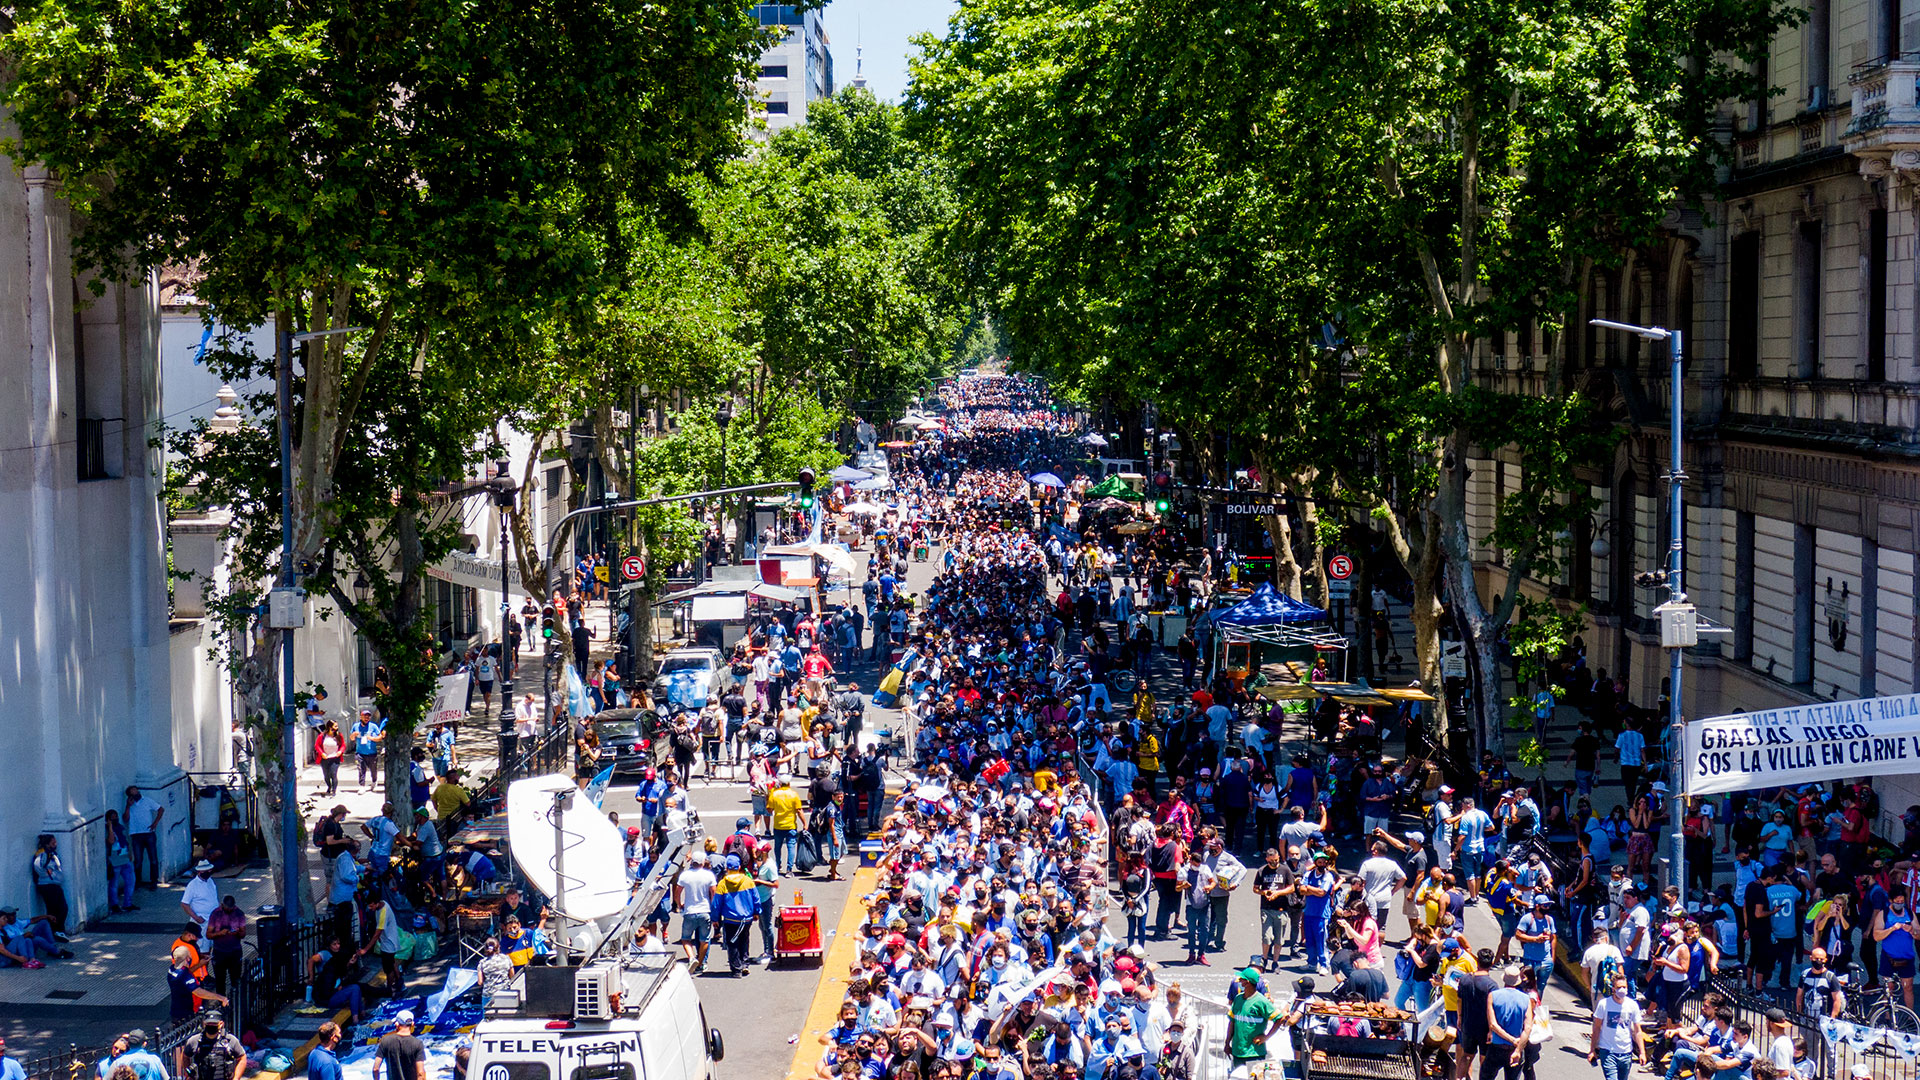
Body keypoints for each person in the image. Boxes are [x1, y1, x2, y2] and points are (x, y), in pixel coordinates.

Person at [1587, 974, 1647, 1080]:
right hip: (1608, 1051)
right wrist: (1592, 1049)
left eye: (1624, 987)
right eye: (1619, 987)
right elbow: (1596, 1028)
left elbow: (1637, 1031)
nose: (1622, 990)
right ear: (1613, 989)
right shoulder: (1604, 1004)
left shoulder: (1632, 1005)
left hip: (1626, 1053)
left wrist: (1642, 1052)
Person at [712, 853, 762, 976]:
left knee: (732, 943)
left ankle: (736, 969)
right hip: (746, 919)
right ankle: (745, 963)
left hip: (730, 919)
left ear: (727, 868)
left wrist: (715, 918)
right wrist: (757, 912)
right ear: (739, 867)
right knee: (744, 940)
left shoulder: (722, 884)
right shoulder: (748, 881)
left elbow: (716, 904)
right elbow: (756, 898)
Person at [1225, 966, 1280, 1068]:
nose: (1239, 980)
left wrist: (1266, 1037)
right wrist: (1227, 1043)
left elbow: (1279, 1019)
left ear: (1248, 982)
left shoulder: (1261, 1001)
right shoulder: (1238, 999)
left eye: (1242, 979)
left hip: (1254, 1053)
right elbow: (1232, 1022)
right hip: (1237, 1052)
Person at [177, 1014, 245, 1080]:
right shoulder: (194, 1041)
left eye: (214, 1024)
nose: (211, 1026)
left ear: (221, 1024)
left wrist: (236, 1078)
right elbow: (185, 1056)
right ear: (204, 1024)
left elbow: (242, 1058)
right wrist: (189, 1075)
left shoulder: (230, 1040)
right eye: (209, 1024)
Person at [204, 895, 247, 997]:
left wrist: (237, 932)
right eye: (227, 908)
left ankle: (235, 1003)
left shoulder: (239, 914)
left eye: (231, 908)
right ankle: (221, 1003)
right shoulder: (215, 914)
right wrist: (219, 933)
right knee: (220, 981)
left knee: (236, 981)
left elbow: (243, 934)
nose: (229, 910)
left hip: (234, 951)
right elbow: (208, 935)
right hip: (219, 952)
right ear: (222, 905)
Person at [30, 834, 70, 938]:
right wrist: (49, 873)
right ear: (47, 844)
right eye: (53, 843)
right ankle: (56, 931)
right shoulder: (42, 854)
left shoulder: (52, 854)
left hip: (54, 885)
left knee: (61, 908)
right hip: (47, 886)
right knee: (57, 909)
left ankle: (56, 930)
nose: (55, 844)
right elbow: (38, 867)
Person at [126, 786, 165, 889]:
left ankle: (154, 881)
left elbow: (161, 809)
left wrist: (155, 823)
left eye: (136, 790)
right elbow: (125, 819)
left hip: (148, 833)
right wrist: (128, 806)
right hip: (136, 834)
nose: (135, 792)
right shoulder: (130, 804)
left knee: (153, 859)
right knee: (138, 860)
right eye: (132, 792)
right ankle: (137, 881)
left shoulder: (147, 800)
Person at [371, 1011, 425, 1080]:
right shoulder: (418, 1044)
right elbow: (420, 1073)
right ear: (412, 1024)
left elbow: (376, 1068)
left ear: (396, 1024)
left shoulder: (385, 1041)